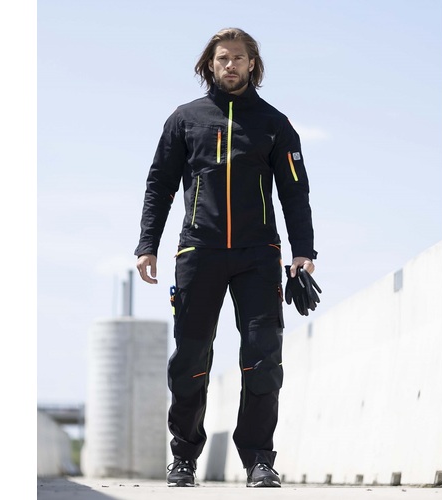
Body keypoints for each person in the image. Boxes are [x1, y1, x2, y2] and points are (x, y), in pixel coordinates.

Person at [135, 27, 317, 488]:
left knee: (263, 359)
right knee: (191, 358)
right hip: (199, 251)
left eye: (239, 57)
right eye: (223, 58)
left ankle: (259, 459)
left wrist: (303, 251)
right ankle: (183, 457)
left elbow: (295, 192)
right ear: (209, 64)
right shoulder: (185, 120)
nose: (231, 65)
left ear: (252, 64)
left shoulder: (275, 123)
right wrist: (147, 243)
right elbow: (159, 184)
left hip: (259, 255)